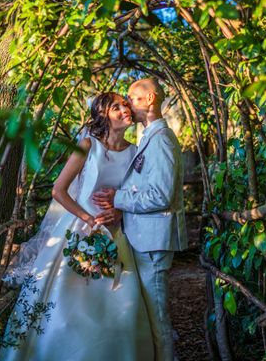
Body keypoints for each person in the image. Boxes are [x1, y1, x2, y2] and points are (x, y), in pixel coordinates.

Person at [0, 92, 153, 361]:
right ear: (103, 115)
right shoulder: (88, 145)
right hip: (78, 230)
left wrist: (118, 213)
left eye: (126, 105)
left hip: (116, 234)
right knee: (64, 303)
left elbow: (136, 195)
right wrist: (88, 219)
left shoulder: (135, 152)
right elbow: (59, 191)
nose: (125, 109)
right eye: (117, 107)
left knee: (119, 305)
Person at [93, 78, 187, 361]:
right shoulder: (147, 138)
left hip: (153, 242)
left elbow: (160, 196)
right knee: (149, 318)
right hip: (142, 239)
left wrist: (117, 199)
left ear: (150, 99)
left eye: (132, 98)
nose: (128, 106)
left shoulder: (161, 140)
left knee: (159, 322)